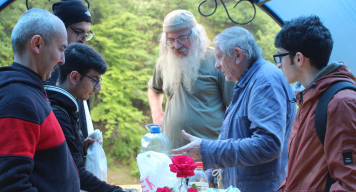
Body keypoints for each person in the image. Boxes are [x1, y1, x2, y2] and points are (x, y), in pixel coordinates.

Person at [172, 26, 296, 192]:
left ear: (238, 55)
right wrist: (209, 176)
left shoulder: (265, 82)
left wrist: (208, 150)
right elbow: (237, 137)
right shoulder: (249, 80)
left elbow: (268, 144)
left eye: (219, 57)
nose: (217, 65)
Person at [0, 8, 80, 191]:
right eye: (61, 49)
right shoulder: (15, 100)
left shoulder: (28, 91)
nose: (63, 60)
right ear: (37, 44)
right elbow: (10, 187)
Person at [274, 15, 356, 191]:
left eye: (280, 56)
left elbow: (350, 182)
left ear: (298, 59)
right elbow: (301, 173)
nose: (279, 65)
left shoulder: (341, 103)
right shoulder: (308, 97)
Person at [148, 10, 235, 150]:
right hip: (172, 151)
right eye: (170, 40)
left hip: (209, 153)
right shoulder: (164, 62)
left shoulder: (217, 60)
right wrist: (157, 113)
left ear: (196, 36)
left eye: (182, 38)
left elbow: (235, 107)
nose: (176, 45)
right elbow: (154, 89)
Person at [44, 43, 122, 192]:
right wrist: (114, 191)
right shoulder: (58, 113)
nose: (98, 88)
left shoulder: (65, 106)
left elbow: (64, 159)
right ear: (74, 76)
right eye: (94, 79)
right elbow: (76, 174)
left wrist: (80, 148)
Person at [45, 0, 95, 140]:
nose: (84, 39)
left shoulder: (78, 68)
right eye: (79, 32)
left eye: (87, 33)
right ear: (60, 29)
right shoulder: (47, 72)